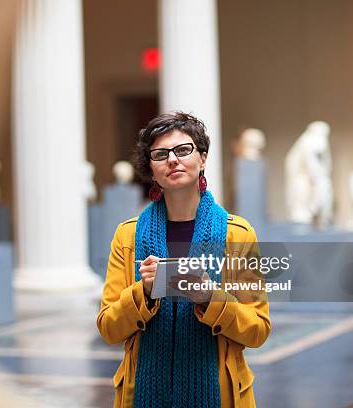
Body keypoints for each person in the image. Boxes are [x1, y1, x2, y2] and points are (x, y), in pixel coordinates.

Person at [97, 112, 271, 408]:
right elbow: (109, 327)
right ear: (151, 170)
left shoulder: (237, 234)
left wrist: (211, 298)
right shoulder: (127, 236)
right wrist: (144, 292)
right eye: (160, 154)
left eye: (183, 149)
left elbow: (257, 330)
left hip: (220, 397)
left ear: (203, 159)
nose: (173, 160)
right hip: (142, 395)